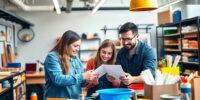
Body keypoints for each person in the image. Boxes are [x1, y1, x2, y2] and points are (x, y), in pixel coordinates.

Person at [44, 30, 95, 99]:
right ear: (66, 44)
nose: (77, 49)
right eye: (75, 46)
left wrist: (89, 80)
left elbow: (81, 83)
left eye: (78, 46)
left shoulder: (76, 59)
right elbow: (58, 80)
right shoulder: (52, 57)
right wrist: (83, 76)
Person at [116, 22, 156, 87]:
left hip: (142, 92)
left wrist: (133, 79)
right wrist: (114, 77)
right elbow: (118, 73)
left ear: (137, 36)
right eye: (123, 39)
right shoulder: (121, 52)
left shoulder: (148, 51)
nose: (125, 42)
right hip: (124, 90)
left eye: (129, 39)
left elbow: (149, 75)